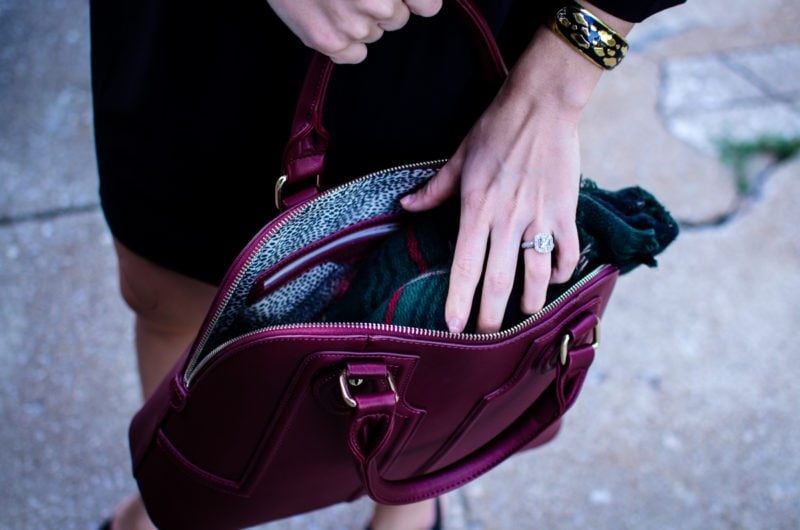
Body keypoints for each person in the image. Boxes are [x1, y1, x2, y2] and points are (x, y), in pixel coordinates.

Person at [89, 0, 684, 528]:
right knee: (170, 288)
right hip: (208, 41)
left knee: (455, 303)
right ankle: (192, 497)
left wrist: (560, 77)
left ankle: (411, 498)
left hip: (452, 40)